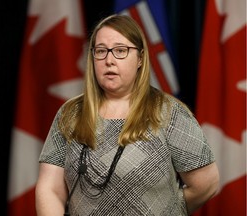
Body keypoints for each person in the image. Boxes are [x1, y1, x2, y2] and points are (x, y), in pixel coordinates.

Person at [35, 14, 220, 216]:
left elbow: (206, 184)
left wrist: (167, 210)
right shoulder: (70, 114)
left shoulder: (169, 113)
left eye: (120, 51)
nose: (109, 60)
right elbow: (50, 189)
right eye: (101, 51)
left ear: (140, 58)